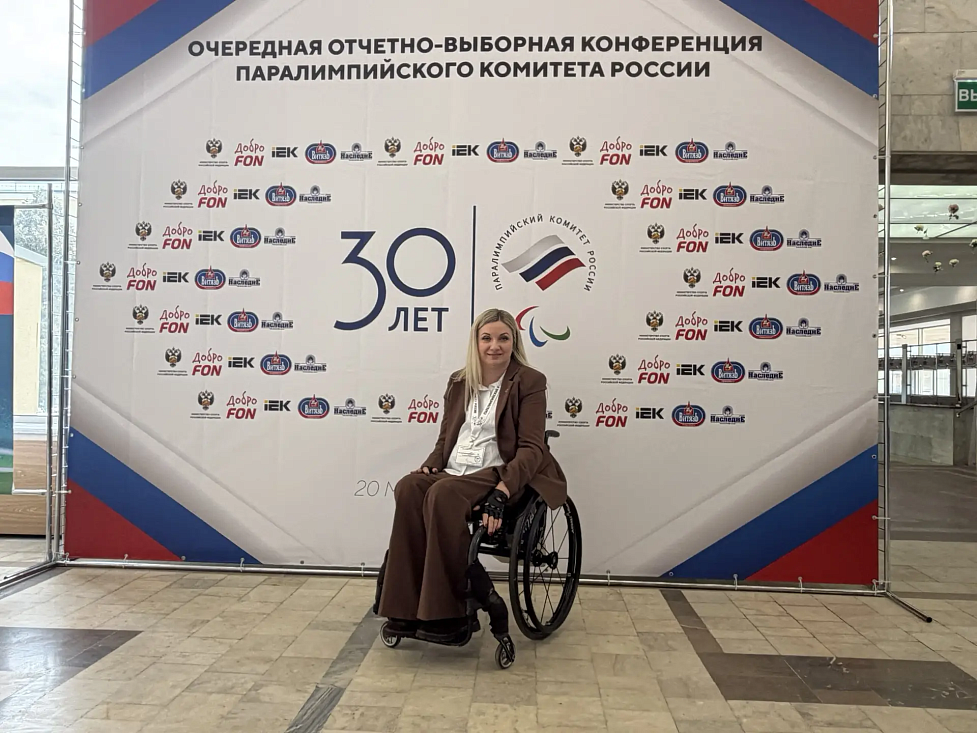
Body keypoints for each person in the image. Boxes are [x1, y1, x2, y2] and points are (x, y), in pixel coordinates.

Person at [377, 308, 567, 641]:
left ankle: (448, 613)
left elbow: (531, 448)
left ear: (514, 342)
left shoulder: (529, 381)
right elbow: (447, 436)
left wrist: (504, 490)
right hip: (455, 469)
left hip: (497, 470)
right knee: (409, 487)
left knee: (443, 494)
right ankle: (403, 608)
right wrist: (431, 464)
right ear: (475, 343)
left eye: (503, 338)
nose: (495, 346)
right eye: (486, 338)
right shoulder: (459, 381)